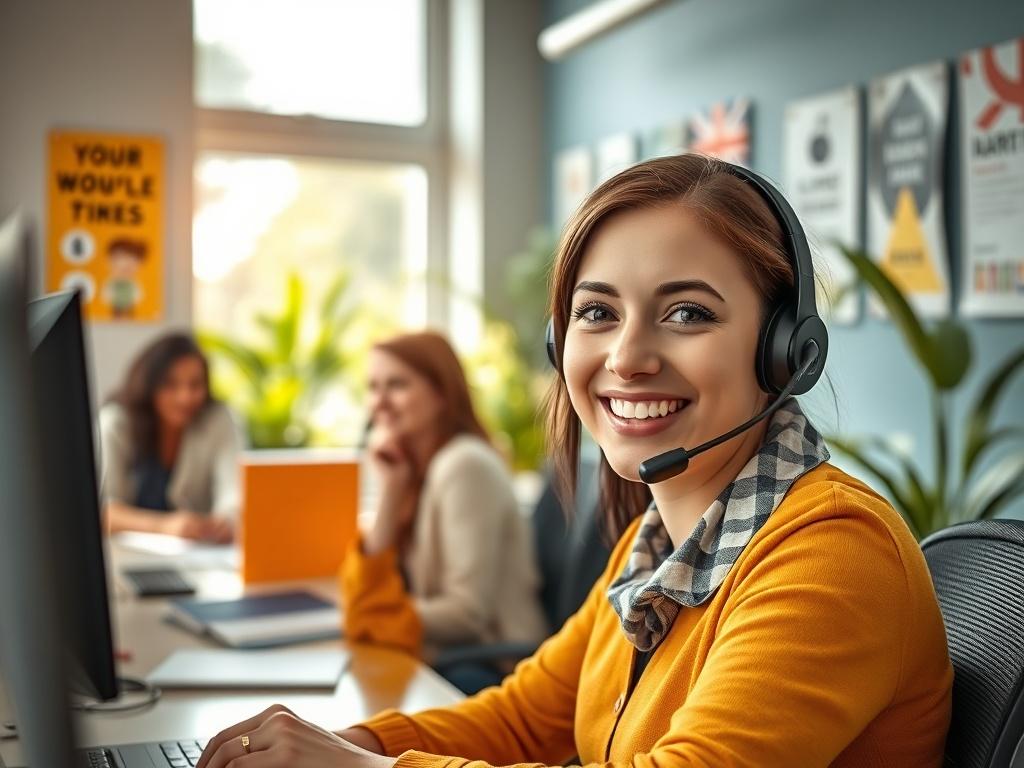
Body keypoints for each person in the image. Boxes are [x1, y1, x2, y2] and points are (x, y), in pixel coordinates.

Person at [197, 155, 953, 768]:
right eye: (597, 313)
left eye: (687, 312)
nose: (626, 358)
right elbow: (527, 718)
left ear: (785, 349)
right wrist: (343, 744)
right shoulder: (658, 545)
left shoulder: (833, 553)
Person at [339, 331, 547, 690]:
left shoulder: (464, 464)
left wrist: (378, 617)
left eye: (397, 385)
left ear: (440, 394)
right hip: (452, 655)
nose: (379, 402)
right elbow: (369, 588)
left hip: (492, 667)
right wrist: (390, 490)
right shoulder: (417, 467)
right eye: (373, 387)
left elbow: (467, 613)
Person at [98, 333, 242, 542]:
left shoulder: (218, 420)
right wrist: (164, 526)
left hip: (197, 556)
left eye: (195, 385)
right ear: (149, 385)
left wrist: (228, 520)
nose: (185, 397)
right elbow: (104, 511)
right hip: (126, 557)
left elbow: (234, 493)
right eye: (170, 384)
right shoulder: (116, 424)